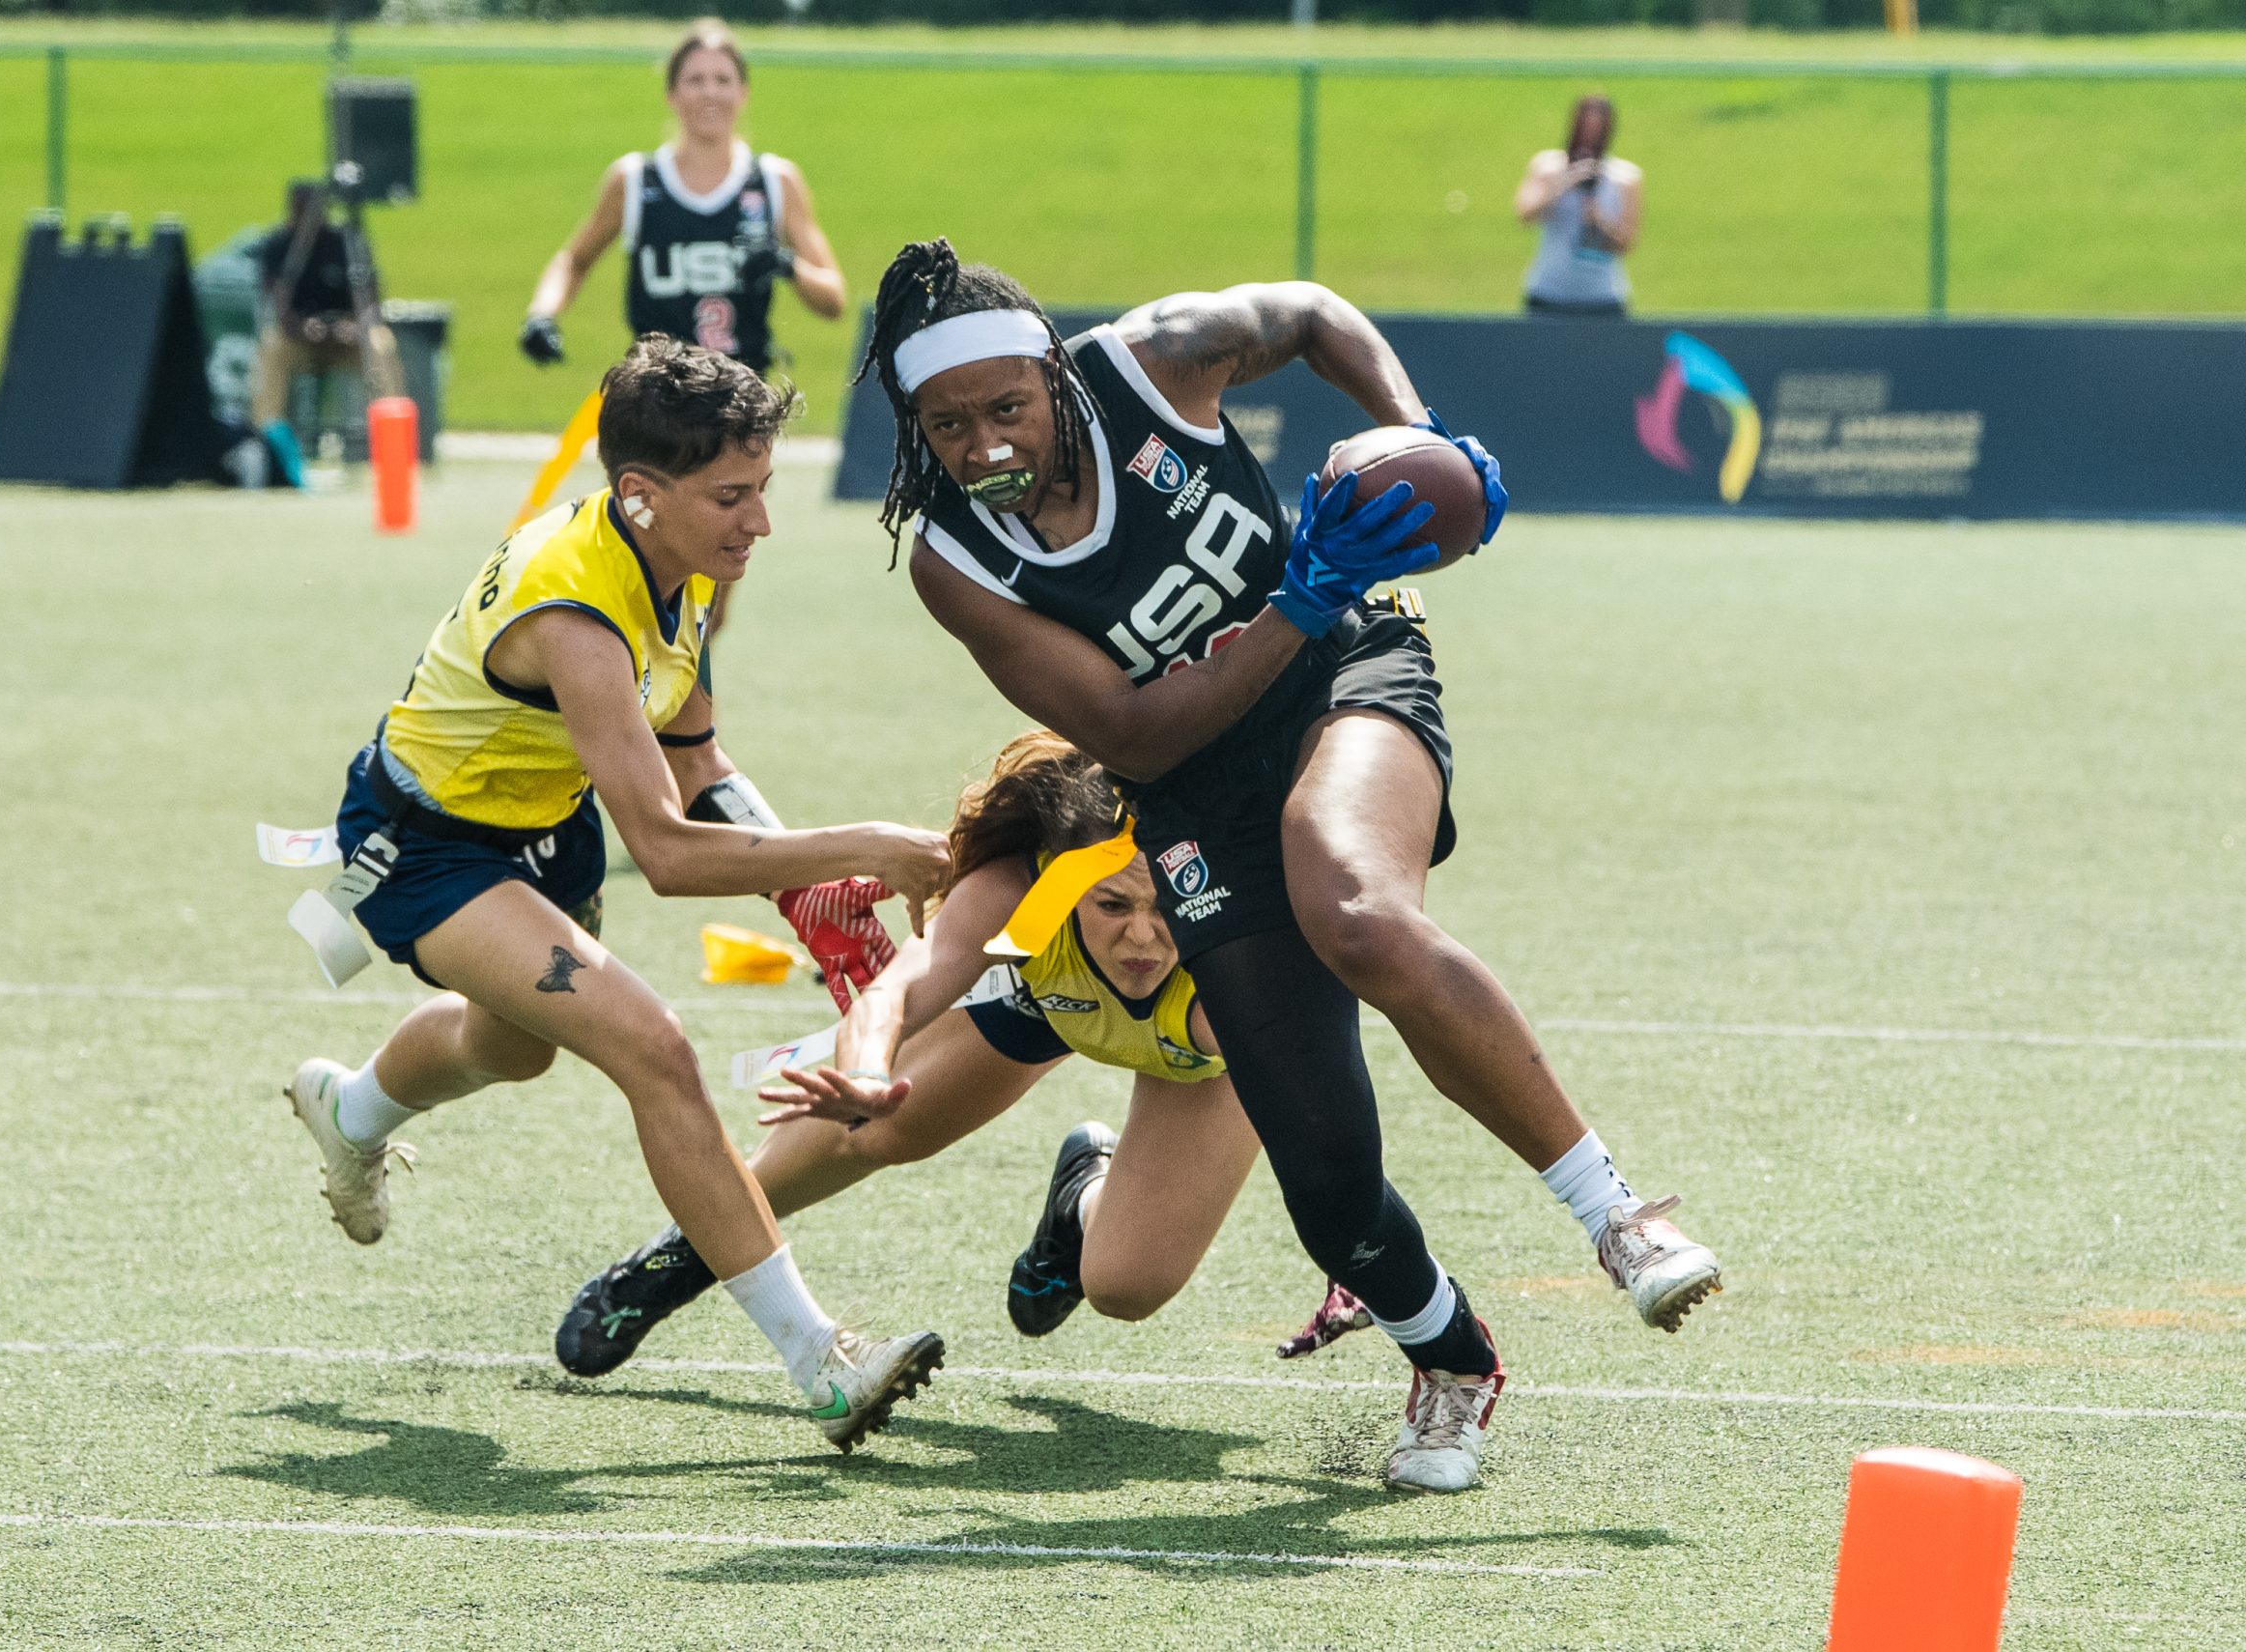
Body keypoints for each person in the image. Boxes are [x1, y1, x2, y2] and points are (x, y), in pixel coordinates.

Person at [850, 240, 1722, 1493]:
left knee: (1354, 907)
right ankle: (1455, 1359)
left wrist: (1417, 442)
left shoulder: (1151, 363)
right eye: (948, 423)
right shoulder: (955, 557)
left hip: (1346, 673)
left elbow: (1312, 314)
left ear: (1053, 375)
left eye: (1006, 407)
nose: (984, 442)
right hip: (1193, 779)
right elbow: (1140, 731)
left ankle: (1617, 1214)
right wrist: (1291, 597)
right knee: (1327, 1179)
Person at [278, 336, 950, 1454]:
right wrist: (865, 844)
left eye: (763, 490)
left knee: (515, 1047)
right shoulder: (575, 618)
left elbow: (699, 758)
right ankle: (821, 1362)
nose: (760, 523)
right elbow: (673, 851)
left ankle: (347, 1109)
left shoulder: (675, 570)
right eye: (731, 497)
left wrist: (810, 884)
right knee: (655, 1045)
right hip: (424, 847)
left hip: (541, 831)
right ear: (642, 494)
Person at [554, 730, 1267, 1378]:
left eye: (1165, 907)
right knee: (877, 1126)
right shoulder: (1026, 897)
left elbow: (1319, 1115)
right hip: (1052, 996)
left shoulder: (1240, 973)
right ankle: (688, 1254)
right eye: (1113, 906)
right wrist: (866, 1074)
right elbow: (896, 993)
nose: (1143, 938)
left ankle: (1080, 1199)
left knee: (1125, 1285)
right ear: (1061, 877)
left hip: (1196, 1051)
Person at [517, 18, 845, 376]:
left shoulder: (774, 180)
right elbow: (574, 262)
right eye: (695, 80)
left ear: (743, 93)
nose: (710, 93)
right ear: (671, 94)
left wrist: (785, 264)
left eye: (723, 80)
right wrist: (541, 314)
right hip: (656, 397)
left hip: (743, 399)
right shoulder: (635, 180)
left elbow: (833, 300)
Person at [252, 180, 404, 460]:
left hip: (348, 340)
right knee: (272, 348)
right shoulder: (278, 246)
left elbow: (372, 300)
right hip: (300, 341)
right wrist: (303, 328)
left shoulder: (346, 242)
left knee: (381, 344)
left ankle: (394, 438)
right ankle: (266, 442)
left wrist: (355, 327)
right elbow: (275, 305)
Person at [1515, 95, 1643, 317]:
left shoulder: (1625, 177)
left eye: (1597, 128)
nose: (1589, 136)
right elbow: (1525, 215)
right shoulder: (1548, 167)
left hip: (1603, 297)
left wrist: (1599, 219)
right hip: (1549, 293)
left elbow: (1626, 244)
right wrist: (1563, 186)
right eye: (1584, 126)